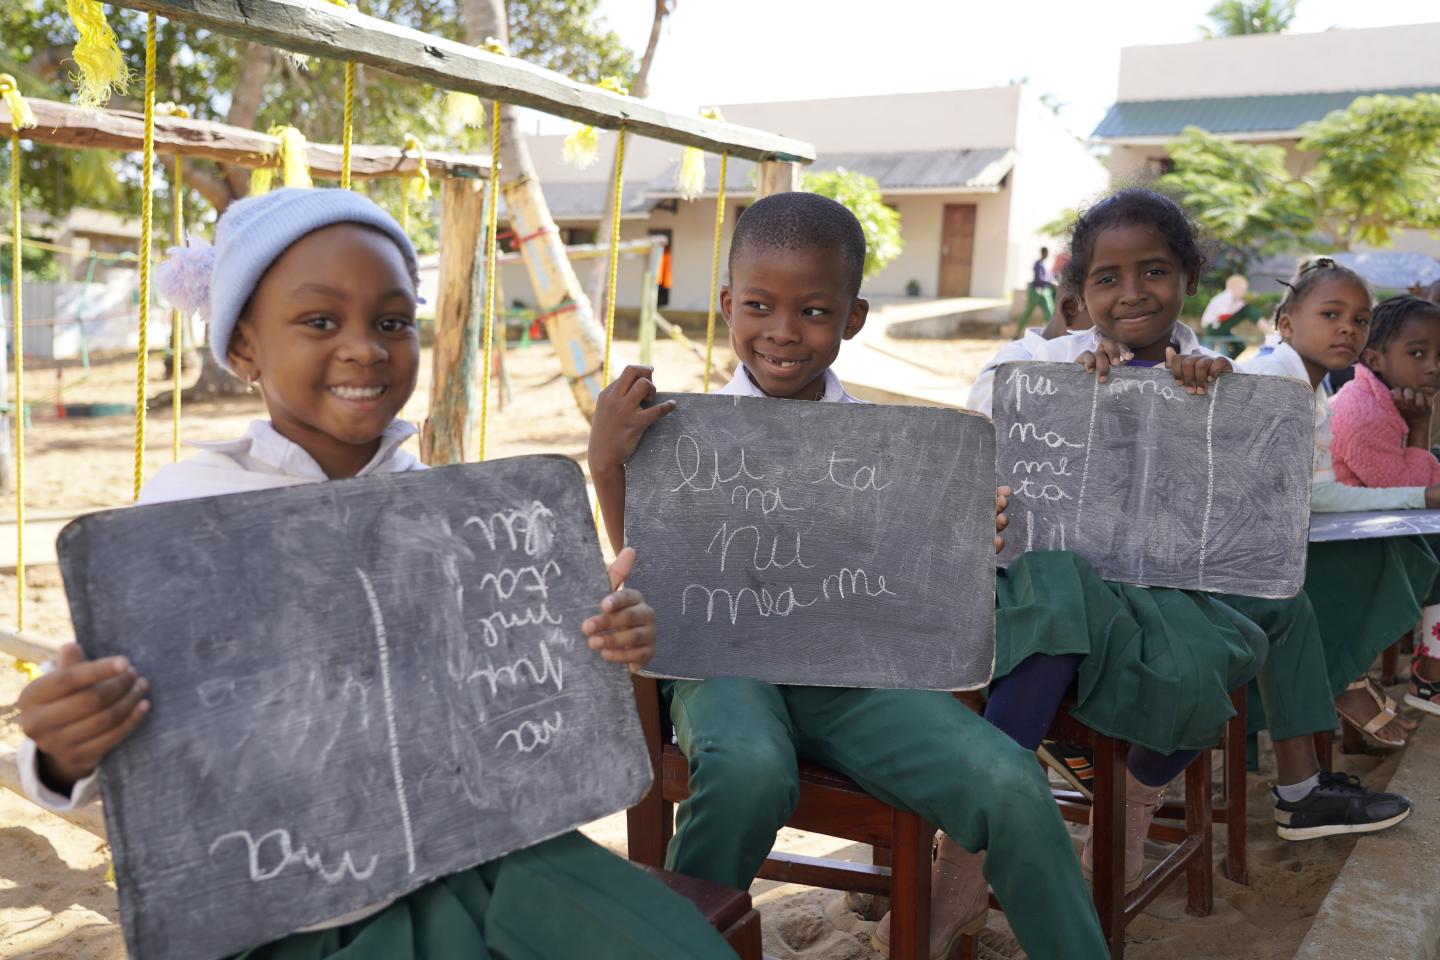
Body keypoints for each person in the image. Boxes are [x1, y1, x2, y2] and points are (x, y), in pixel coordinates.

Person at [15, 188, 736, 960]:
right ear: (243, 348)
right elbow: (126, 749)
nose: (365, 347)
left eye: (393, 322)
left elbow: (522, 684)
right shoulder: (181, 520)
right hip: (293, 905)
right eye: (320, 321)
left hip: (489, 852)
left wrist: (604, 635)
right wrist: (61, 747)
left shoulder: (451, 509)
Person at [589, 192, 1108, 960]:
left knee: (1010, 781)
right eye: (759, 306)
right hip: (721, 669)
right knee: (749, 770)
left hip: (856, 684)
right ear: (728, 303)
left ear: (854, 318)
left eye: (814, 312)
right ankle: (681, 947)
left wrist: (965, 542)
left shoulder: (888, 444)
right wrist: (606, 459)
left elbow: (914, 597)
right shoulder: (677, 429)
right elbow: (646, 558)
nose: (783, 333)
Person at [977, 192, 1408, 887]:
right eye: (1106, 279)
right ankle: (977, 837)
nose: (1131, 294)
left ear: (1187, 281)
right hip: (1056, 591)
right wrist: (1074, 382)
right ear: (1080, 294)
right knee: (1067, 606)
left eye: (1153, 272)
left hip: (1160, 591)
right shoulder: (1042, 356)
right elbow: (991, 411)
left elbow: (1246, 514)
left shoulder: (1210, 372)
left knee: (1239, 637)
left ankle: (1137, 799)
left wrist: (1212, 411)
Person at [1245, 259, 1440, 752]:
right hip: (1245, 564)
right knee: (1390, 557)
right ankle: (1345, 681)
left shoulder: (1312, 388)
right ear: (1287, 323)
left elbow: (1315, 492)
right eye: (1331, 315)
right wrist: (1419, 495)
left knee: (1399, 553)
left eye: (1358, 320)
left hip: (1279, 543)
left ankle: (1348, 679)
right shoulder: (1277, 381)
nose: (1347, 329)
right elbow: (1316, 496)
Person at [1328, 295, 1440, 715]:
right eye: (1417, 353)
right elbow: (1409, 491)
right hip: (1344, 548)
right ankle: (1431, 677)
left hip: (1371, 530)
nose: (1432, 365)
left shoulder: (1381, 399)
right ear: (1374, 357)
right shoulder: (1365, 412)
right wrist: (1420, 427)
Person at [964, 273, 1092, 412]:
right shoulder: (1006, 376)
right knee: (1028, 314)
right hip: (1037, 291)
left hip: (1042, 291)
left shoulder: (1099, 366)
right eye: (1103, 334)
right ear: (1071, 308)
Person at [1016, 246, 1056, 335]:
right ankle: (1017, 333)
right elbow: (1038, 279)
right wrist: (1050, 283)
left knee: (1049, 312)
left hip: (1042, 292)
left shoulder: (1042, 264)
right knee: (1028, 312)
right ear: (1044, 253)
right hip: (1035, 291)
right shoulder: (1038, 264)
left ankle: (1050, 333)